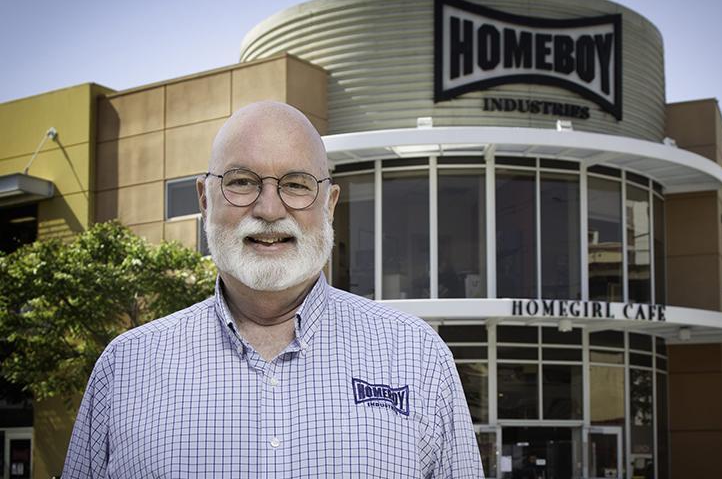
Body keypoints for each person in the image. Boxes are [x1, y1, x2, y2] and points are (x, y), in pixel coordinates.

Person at [62, 101, 483, 478]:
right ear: (206, 199)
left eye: (297, 184)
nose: (268, 209)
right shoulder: (125, 368)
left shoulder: (418, 357)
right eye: (242, 182)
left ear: (329, 204)